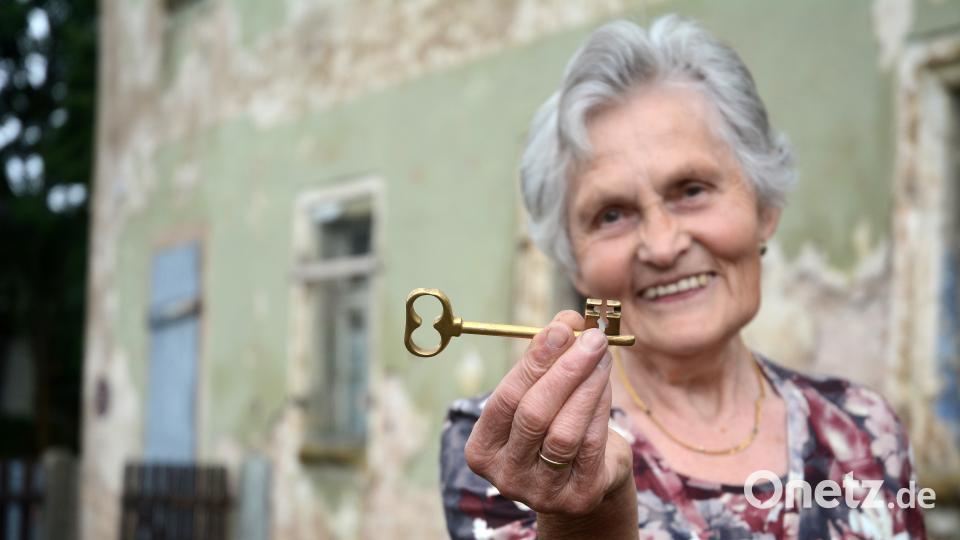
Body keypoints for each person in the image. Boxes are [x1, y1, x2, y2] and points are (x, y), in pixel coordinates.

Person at [440, 15, 927, 539]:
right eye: (611, 214)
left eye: (692, 190)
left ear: (765, 207)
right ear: (573, 261)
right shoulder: (513, 444)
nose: (662, 245)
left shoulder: (864, 427)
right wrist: (582, 516)